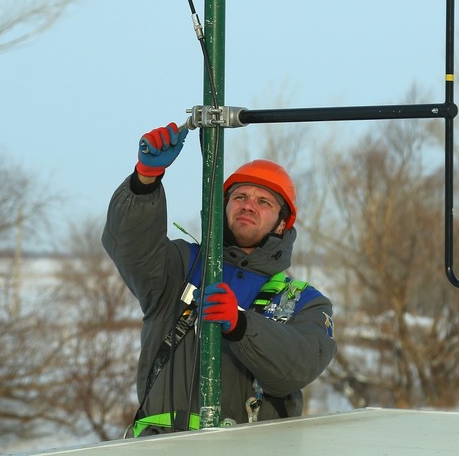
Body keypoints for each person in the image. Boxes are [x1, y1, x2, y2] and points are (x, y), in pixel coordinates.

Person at [103, 121, 337, 437]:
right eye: (239, 197)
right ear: (224, 206)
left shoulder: (304, 301)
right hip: (160, 447)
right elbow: (130, 246)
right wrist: (145, 180)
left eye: (263, 202)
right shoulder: (182, 265)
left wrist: (241, 325)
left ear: (282, 223)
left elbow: (297, 368)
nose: (248, 205)